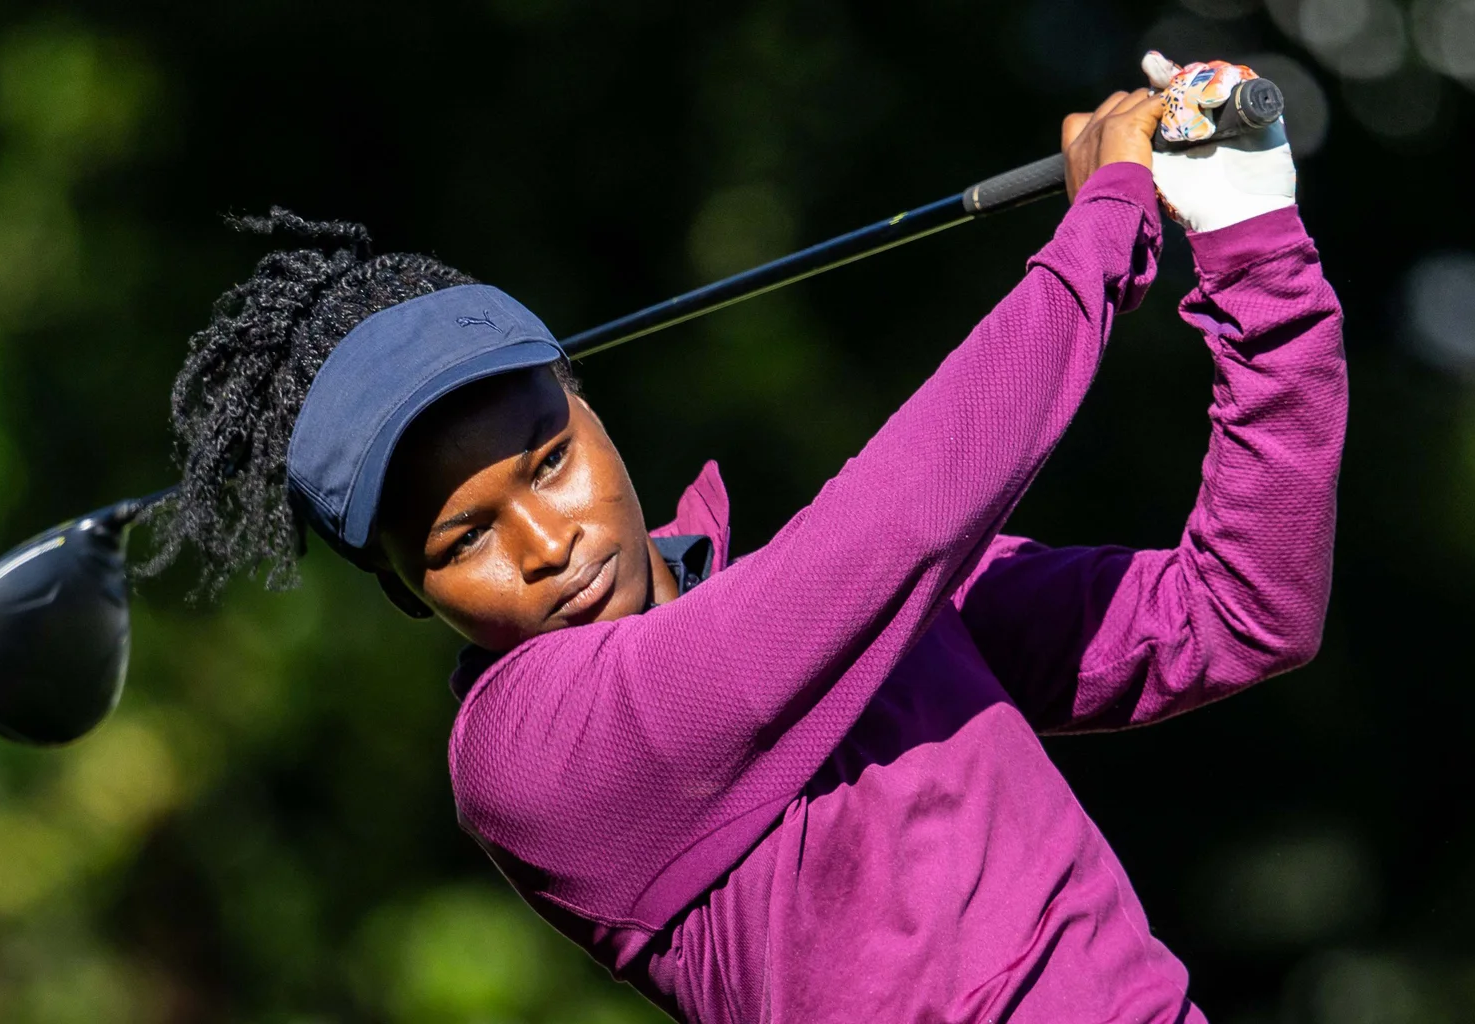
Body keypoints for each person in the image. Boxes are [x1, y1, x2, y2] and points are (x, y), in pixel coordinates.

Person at [148, 54, 1345, 1024]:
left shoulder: (871, 604)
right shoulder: (525, 755)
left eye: (551, 464)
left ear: (595, 410)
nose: (546, 544)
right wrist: (1106, 226)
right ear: (413, 595)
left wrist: (1256, 250)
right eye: (466, 538)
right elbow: (900, 526)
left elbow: (1243, 614)